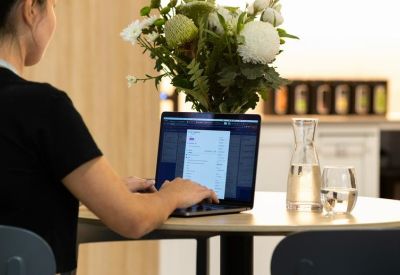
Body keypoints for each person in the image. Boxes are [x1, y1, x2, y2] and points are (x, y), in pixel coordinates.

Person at [0, 0, 219, 274]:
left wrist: (101, 191)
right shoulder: (42, 106)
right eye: (54, 5)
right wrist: (172, 195)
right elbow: (132, 221)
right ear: (31, 9)